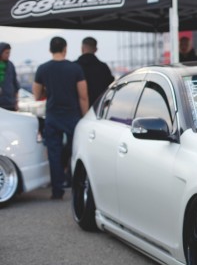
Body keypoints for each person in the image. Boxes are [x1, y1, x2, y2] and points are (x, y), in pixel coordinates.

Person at [33, 36, 88, 200]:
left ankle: (57, 191)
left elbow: (36, 95)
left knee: (54, 154)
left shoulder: (43, 69)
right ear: (65, 49)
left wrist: (49, 91)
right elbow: (83, 96)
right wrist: (85, 117)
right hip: (72, 116)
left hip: (52, 116)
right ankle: (77, 186)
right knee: (76, 151)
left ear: (50, 49)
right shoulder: (75, 68)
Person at [76, 36, 114, 107]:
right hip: (98, 108)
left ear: (82, 48)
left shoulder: (74, 67)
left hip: (77, 108)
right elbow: (110, 88)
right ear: (96, 49)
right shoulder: (103, 68)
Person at [0, 42, 20, 111]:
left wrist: (16, 101)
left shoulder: (10, 65)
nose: (8, 55)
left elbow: (15, 85)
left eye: (9, 53)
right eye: (6, 53)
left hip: (10, 103)